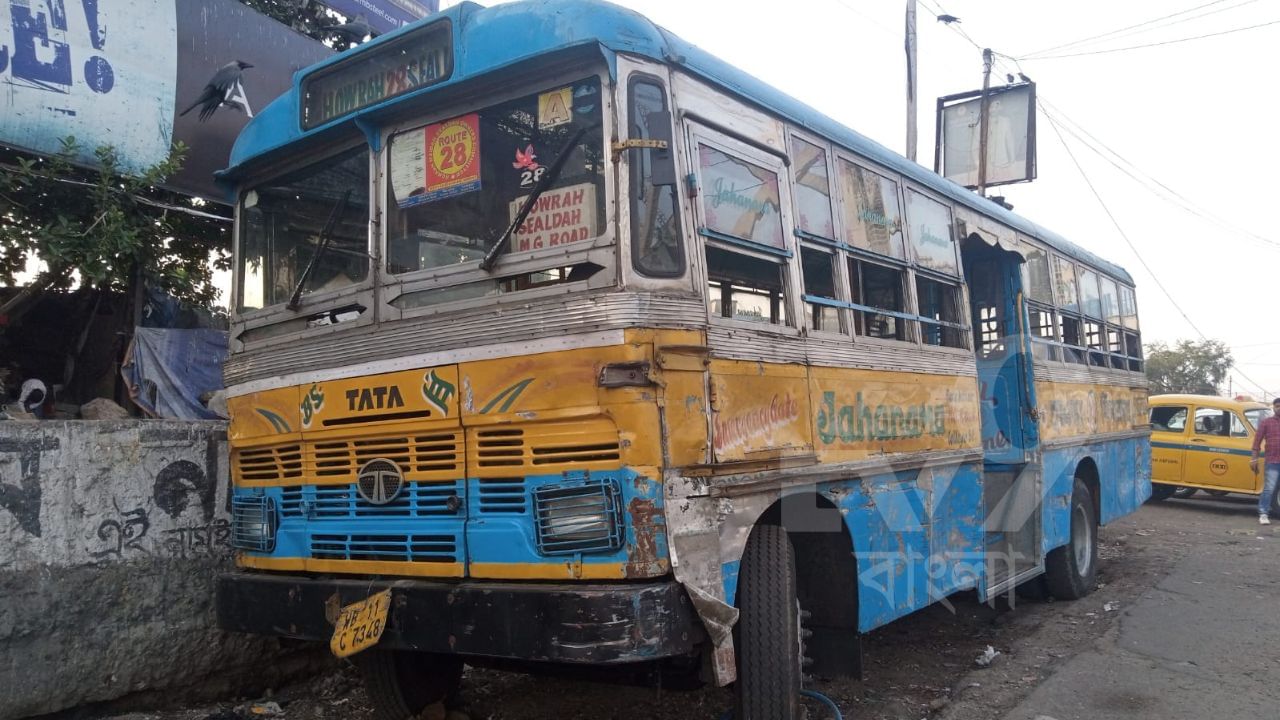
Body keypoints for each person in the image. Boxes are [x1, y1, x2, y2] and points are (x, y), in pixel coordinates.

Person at [1249, 397, 1280, 525]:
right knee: (1269, 488)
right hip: (1272, 460)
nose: (1279, 408)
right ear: (1273, 407)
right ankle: (1263, 513)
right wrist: (1254, 459)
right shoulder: (1266, 422)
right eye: (1277, 406)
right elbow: (1257, 442)